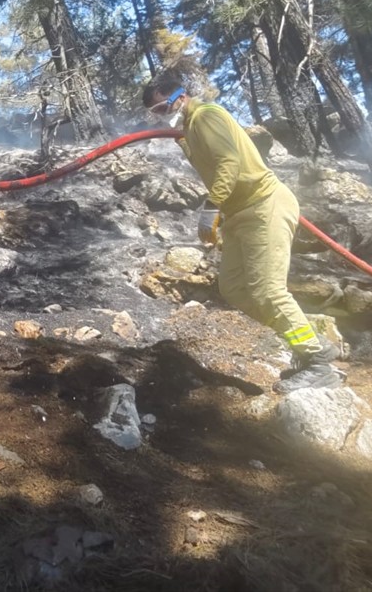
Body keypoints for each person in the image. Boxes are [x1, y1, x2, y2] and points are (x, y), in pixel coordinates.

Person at [143, 68, 342, 393]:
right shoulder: (190, 129)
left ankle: (318, 362)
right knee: (234, 287)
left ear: (180, 96)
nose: (160, 116)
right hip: (240, 214)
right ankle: (312, 341)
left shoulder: (206, 115)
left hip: (264, 205)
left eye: (162, 107)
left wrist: (211, 207)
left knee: (268, 291)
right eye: (155, 113)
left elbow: (229, 164)